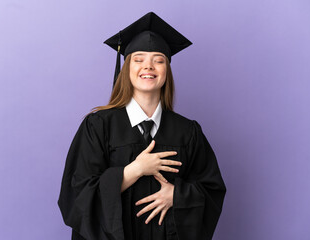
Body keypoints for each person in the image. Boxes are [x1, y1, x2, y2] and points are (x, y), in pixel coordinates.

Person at [58, 12, 226, 240]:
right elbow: (76, 195)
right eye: (138, 59)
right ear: (127, 68)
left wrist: (178, 196)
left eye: (158, 60)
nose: (148, 66)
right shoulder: (98, 126)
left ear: (167, 70)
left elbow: (211, 190)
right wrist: (134, 170)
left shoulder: (188, 132)